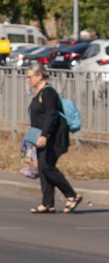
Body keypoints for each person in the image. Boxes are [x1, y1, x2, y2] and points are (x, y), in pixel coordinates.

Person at [26, 66, 81, 214]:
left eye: (30, 76)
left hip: (52, 137)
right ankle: (47, 203)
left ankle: (72, 195)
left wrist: (44, 135)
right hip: (41, 136)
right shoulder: (39, 92)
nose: (28, 79)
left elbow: (51, 115)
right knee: (44, 168)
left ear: (40, 75)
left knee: (46, 167)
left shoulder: (48, 92)